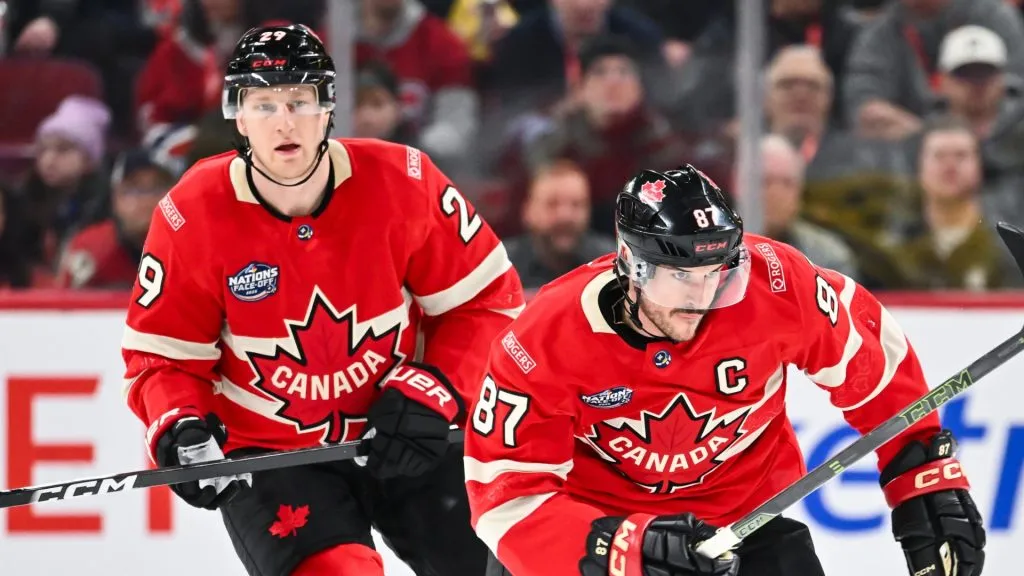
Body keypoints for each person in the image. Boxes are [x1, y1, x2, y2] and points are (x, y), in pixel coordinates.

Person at [122, 24, 524, 576]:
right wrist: (181, 425)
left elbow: (487, 305)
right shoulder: (192, 212)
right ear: (237, 116)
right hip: (274, 457)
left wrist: (438, 388)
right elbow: (161, 359)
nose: (284, 122)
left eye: (299, 100)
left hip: (406, 430)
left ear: (328, 106)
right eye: (263, 104)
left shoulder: (403, 181)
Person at [464, 165, 986, 576]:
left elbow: (868, 358)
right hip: (594, 538)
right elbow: (506, 502)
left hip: (739, 527)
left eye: (719, 274)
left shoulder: (776, 285)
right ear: (631, 264)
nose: (702, 297)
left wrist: (921, 472)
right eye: (680, 278)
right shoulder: (543, 339)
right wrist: (626, 548)